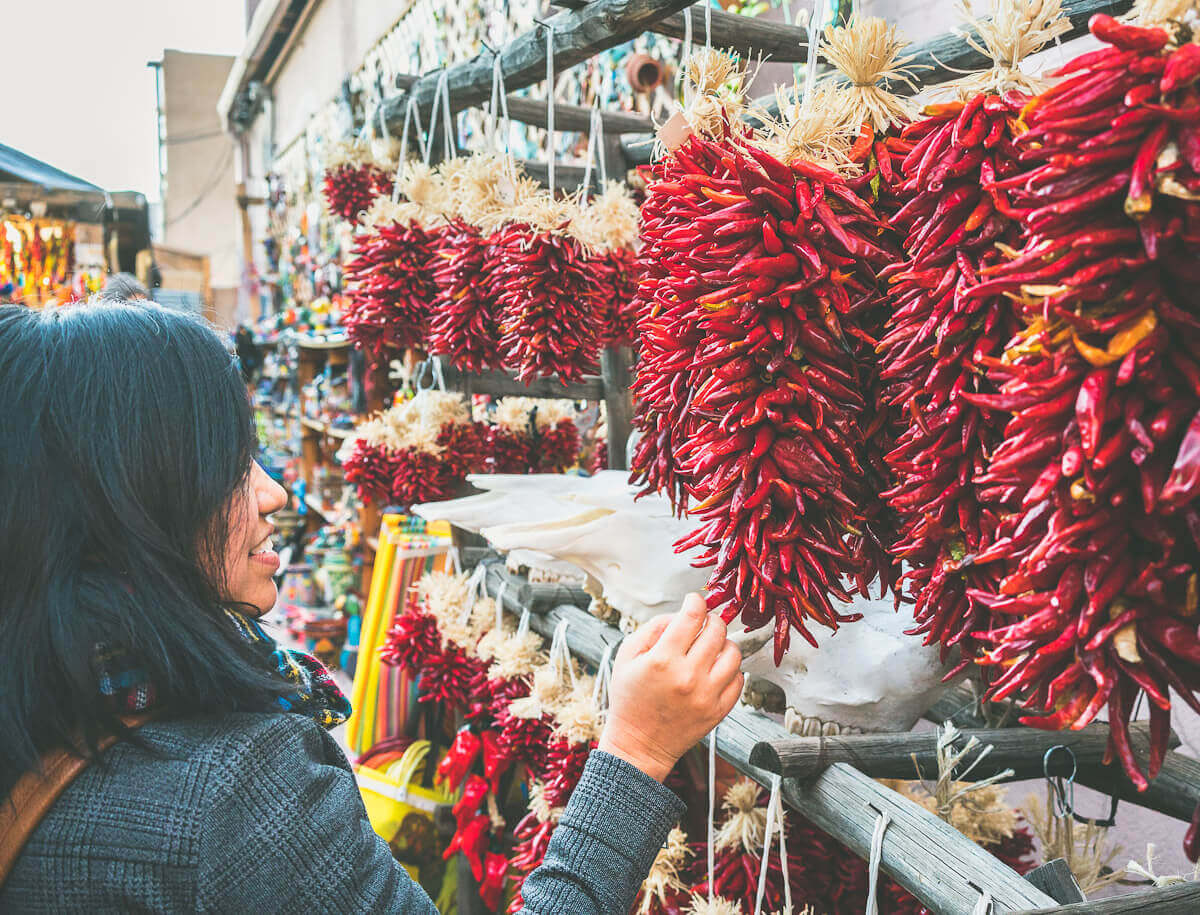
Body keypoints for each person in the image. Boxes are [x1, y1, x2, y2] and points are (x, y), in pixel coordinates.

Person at [0, 300, 744, 913]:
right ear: (132, 505)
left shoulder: (44, 711)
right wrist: (636, 750)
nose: (273, 493)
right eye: (228, 465)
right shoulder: (240, 793)